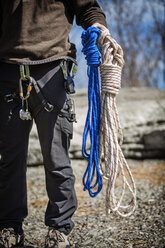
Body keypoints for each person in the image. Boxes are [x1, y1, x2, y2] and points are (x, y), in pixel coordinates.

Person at [0, 1, 107, 247]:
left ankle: (59, 229)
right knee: (9, 159)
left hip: (53, 68)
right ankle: (9, 227)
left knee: (56, 157)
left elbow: (88, 8)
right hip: (7, 70)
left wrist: (99, 28)